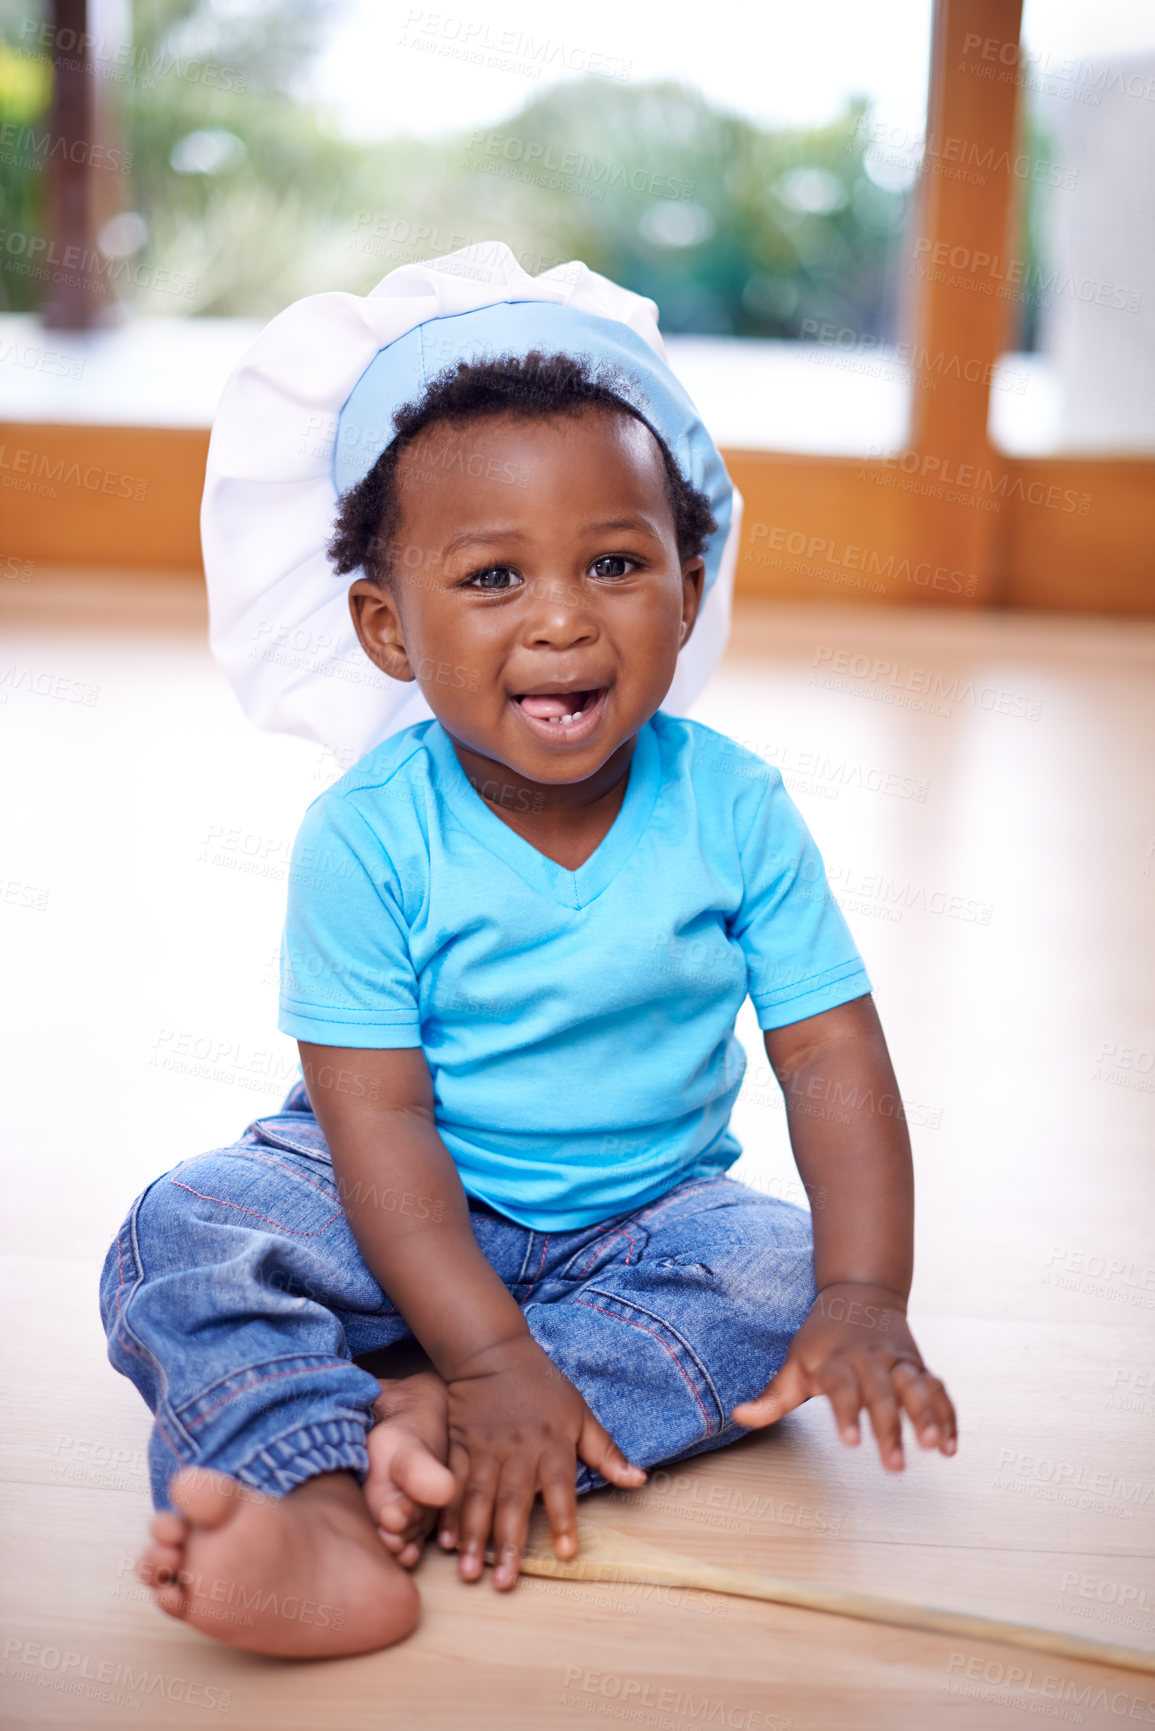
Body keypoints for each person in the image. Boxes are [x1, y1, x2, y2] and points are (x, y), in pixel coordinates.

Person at [100, 247, 956, 1661]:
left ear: (689, 588)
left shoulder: (734, 805)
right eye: (492, 576)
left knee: (777, 1283)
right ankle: (309, 1499)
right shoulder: (367, 838)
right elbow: (374, 1120)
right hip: (390, 1184)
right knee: (184, 1232)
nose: (562, 617)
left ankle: (431, 1435)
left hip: (646, 1213)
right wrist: (487, 1340)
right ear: (386, 627)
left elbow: (830, 1055)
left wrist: (868, 1294)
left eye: (615, 565)